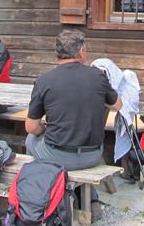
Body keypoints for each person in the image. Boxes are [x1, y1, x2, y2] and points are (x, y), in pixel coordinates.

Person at [24, 29, 122, 171]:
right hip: (92, 155)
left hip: (57, 154)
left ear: (57, 53)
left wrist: (44, 130)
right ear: (82, 51)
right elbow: (118, 105)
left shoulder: (44, 81)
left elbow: (31, 127)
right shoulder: (98, 76)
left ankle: (40, 185)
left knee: (30, 139)